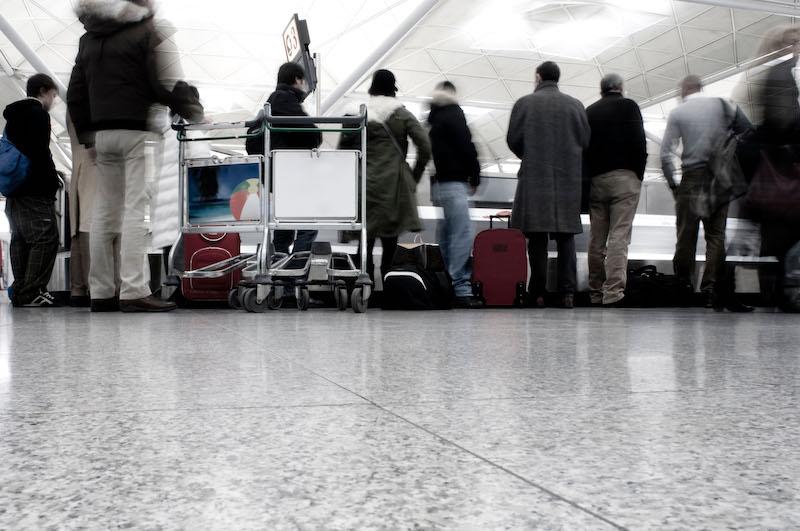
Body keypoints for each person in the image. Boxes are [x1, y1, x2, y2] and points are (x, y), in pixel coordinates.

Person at [67, 0, 203, 313]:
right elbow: (165, 83)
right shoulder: (146, 31)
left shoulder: (89, 37)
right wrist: (193, 110)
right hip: (137, 132)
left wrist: (88, 134)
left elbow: (76, 91)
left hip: (102, 135)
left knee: (104, 209)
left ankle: (101, 292)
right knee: (135, 208)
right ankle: (133, 289)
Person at [661, 75, 753, 311]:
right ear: (701, 88)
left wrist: (674, 186)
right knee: (716, 236)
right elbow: (748, 132)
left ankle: (684, 288)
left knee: (686, 236)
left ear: (684, 90)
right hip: (719, 178)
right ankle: (711, 289)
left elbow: (665, 154)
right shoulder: (724, 105)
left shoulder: (679, 113)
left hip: (691, 177)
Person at [506, 61, 590, 309]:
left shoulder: (525, 104)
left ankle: (538, 293)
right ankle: (567, 294)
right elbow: (585, 140)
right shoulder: (575, 105)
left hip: (535, 178)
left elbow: (513, 140)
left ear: (538, 77)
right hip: (567, 179)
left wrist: (530, 154)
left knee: (537, 239)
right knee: (566, 238)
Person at [339, 69, 431, 282]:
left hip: (364, 184)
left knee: (365, 239)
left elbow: (344, 151)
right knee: (390, 240)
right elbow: (425, 147)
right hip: (394, 184)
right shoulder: (402, 113)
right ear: (393, 88)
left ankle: (364, 286)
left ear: (372, 87)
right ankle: (389, 286)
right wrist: (413, 177)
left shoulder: (357, 113)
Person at [246, 62, 322, 256]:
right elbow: (312, 134)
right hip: (290, 173)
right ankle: (293, 273)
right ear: (297, 80)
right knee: (308, 225)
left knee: (284, 228)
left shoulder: (271, 103)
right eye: (303, 81)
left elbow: (252, 141)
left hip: (279, 175)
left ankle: (282, 278)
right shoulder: (285, 99)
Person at [585, 73, 647, 307]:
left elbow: (584, 147)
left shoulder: (589, 111)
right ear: (621, 88)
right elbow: (639, 141)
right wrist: (638, 175)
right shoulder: (629, 106)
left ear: (601, 89)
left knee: (596, 239)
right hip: (624, 178)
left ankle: (595, 292)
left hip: (596, 180)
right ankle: (613, 293)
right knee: (619, 236)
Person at [2, 73, 61, 307]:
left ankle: (20, 291)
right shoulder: (38, 114)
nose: (54, 101)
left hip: (14, 187)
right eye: (53, 95)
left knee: (20, 239)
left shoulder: (14, 116)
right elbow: (39, 153)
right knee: (45, 238)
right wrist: (52, 179)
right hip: (34, 188)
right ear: (43, 91)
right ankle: (32, 291)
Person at [428, 81, 482, 308]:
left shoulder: (433, 117)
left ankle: (444, 286)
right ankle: (460, 288)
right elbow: (466, 145)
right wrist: (475, 174)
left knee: (446, 237)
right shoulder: (453, 113)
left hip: (439, 184)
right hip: (455, 182)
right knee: (462, 235)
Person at [66, 112, 98, 308]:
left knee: (78, 226)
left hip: (78, 165)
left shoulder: (74, 103)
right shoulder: (94, 97)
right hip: (94, 163)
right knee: (91, 222)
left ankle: (78, 288)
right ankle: (97, 287)